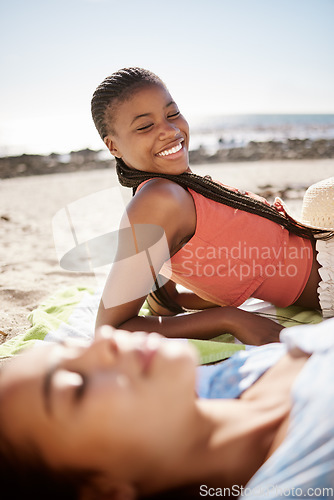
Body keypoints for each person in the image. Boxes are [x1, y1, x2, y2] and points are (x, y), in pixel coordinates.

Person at [90, 67, 334, 345]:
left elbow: (167, 302)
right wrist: (231, 319)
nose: (170, 131)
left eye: (172, 114)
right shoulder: (157, 202)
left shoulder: (174, 190)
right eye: (145, 126)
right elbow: (110, 329)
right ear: (113, 147)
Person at [1, 319, 334, 499]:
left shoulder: (229, 379)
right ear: (103, 491)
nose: (106, 338)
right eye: (77, 388)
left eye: (78, 347)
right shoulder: (300, 481)